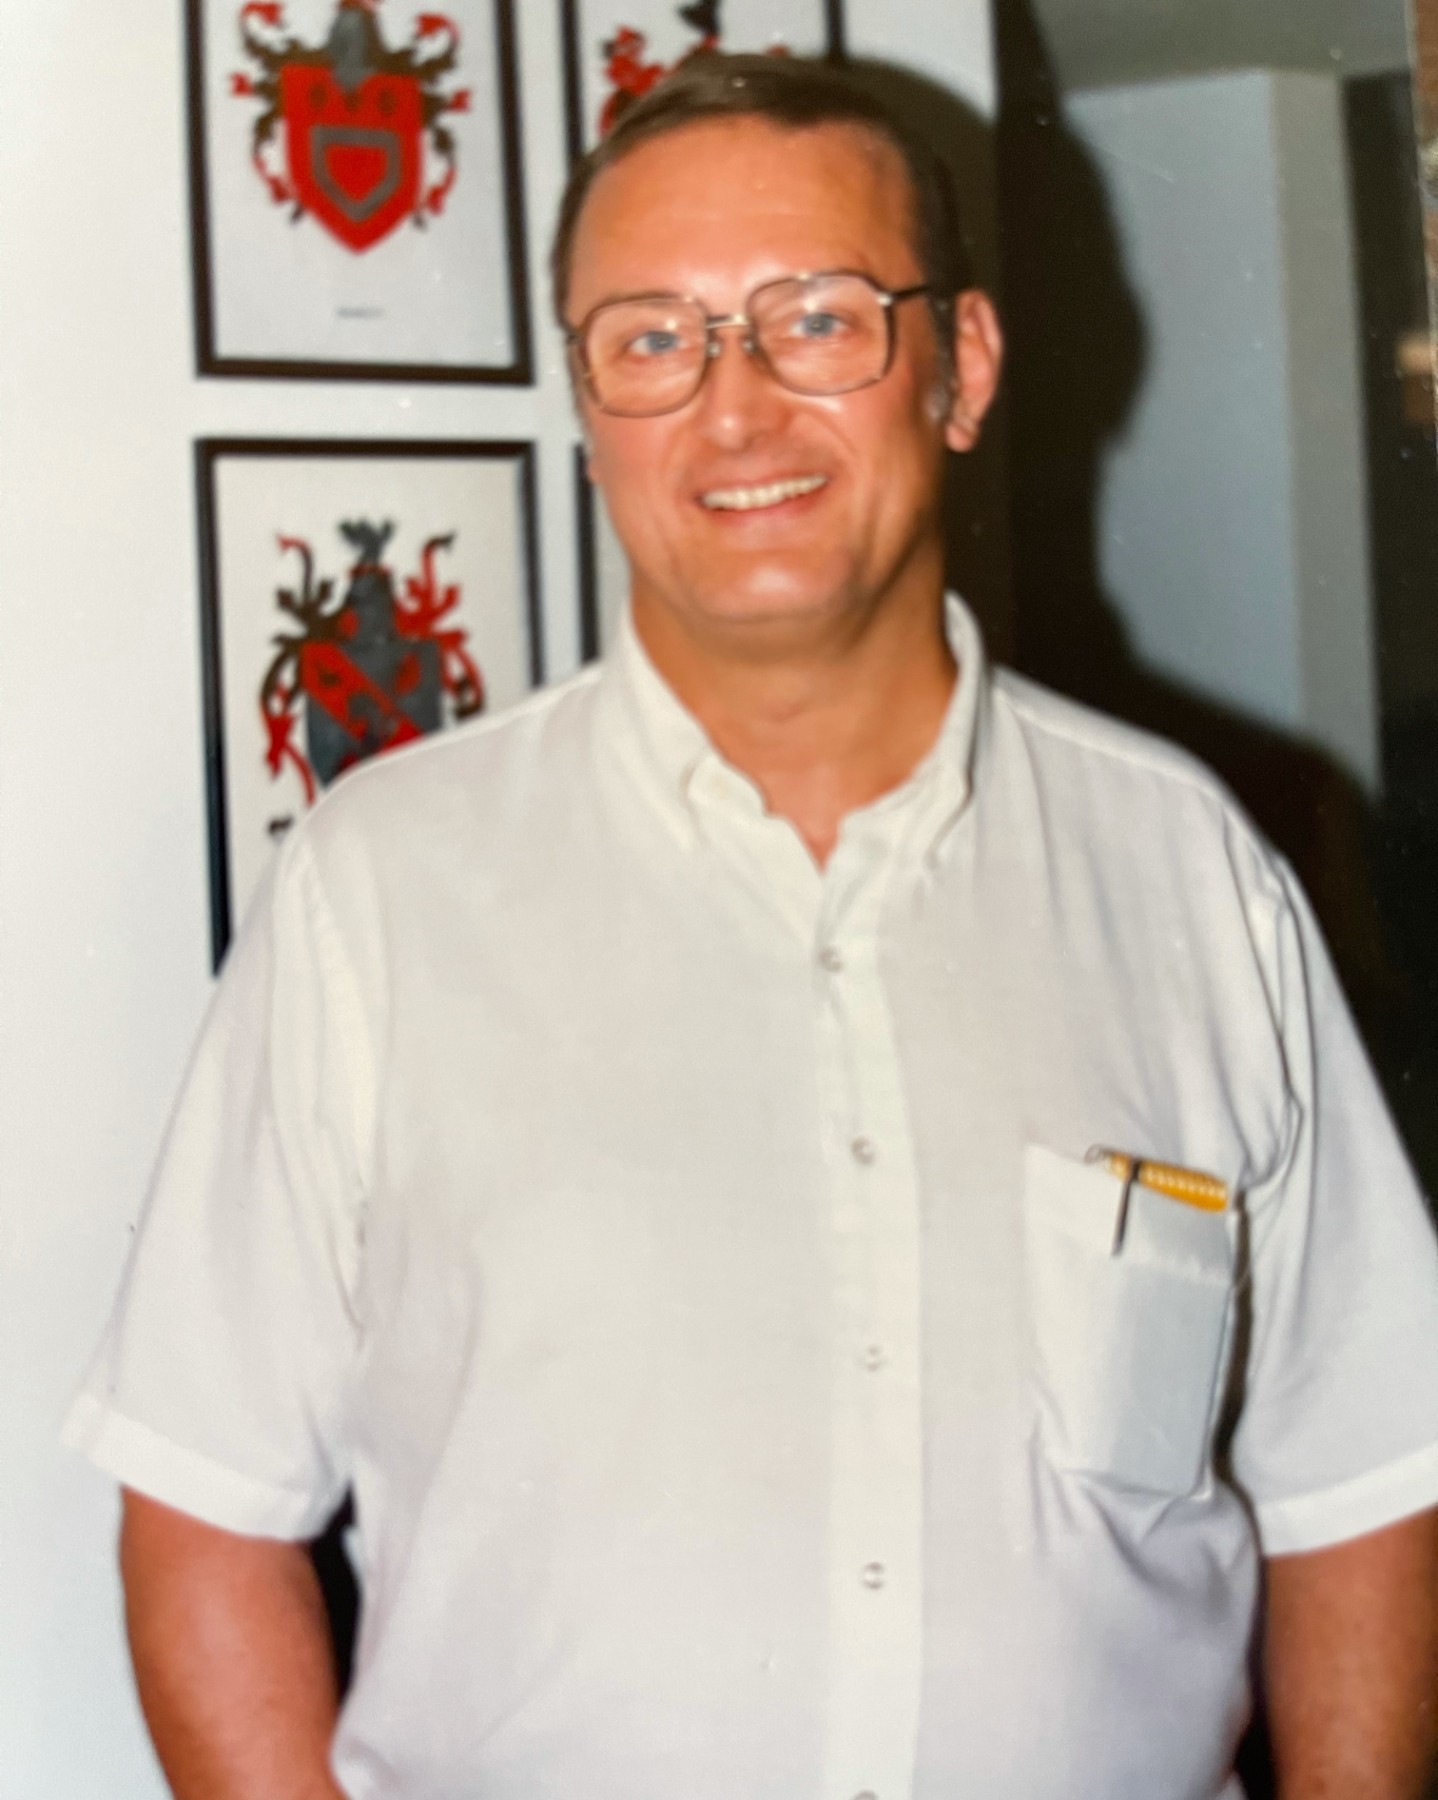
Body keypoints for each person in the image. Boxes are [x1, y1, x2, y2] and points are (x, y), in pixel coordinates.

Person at [67, 52, 1438, 1800]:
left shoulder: (1190, 878)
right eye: (651, 339)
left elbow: (1356, 1480)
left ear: (961, 369)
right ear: (588, 408)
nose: (734, 409)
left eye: (817, 321)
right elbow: (203, 1509)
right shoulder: (380, 892)